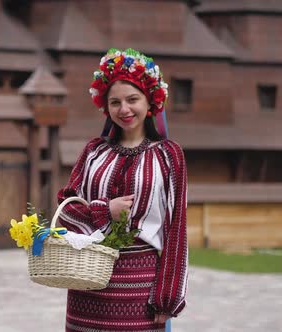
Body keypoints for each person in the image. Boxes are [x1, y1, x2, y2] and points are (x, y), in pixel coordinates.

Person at [57, 48, 187, 332]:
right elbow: (66, 207)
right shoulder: (93, 151)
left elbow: (176, 228)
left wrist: (167, 299)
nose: (124, 109)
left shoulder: (168, 155)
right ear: (106, 107)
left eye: (132, 99)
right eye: (115, 102)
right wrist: (104, 210)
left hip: (140, 284)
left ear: (151, 101)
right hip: (87, 280)